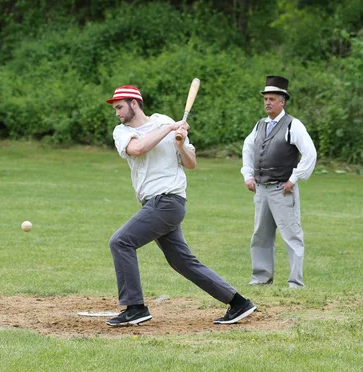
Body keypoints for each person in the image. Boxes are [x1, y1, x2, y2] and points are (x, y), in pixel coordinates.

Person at [106, 85, 256, 327]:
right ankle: (238, 303)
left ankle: (135, 307)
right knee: (182, 261)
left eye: (119, 107)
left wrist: (180, 144)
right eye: (115, 109)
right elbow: (138, 149)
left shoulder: (163, 121)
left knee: (120, 242)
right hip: (154, 203)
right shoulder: (122, 132)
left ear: (134, 103)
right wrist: (169, 129)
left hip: (168, 202)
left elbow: (191, 163)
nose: (117, 113)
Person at [241, 76, 317, 288]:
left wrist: (294, 179)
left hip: (282, 189)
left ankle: (295, 282)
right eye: (265, 98)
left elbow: (310, 154)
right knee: (260, 236)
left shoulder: (294, 125)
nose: (267, 102)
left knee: (292, 235)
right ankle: (260, 279)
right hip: (261, 189)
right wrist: (247, 175)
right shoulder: (259, 125)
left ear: (282, 101)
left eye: (272, 98)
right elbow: (248, 149)